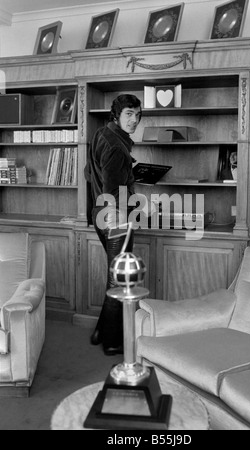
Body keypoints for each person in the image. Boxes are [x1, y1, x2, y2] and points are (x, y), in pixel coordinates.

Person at [84, 94, 142, 356]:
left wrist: (127, 174)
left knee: (113, 275)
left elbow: (90, 173)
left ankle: (99, 332)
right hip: (115, 217)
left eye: (137, 115)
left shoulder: (101, 135)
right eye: (129, 114)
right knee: (119, 280)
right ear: (116, 114)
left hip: (99, 213)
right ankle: (111, 341)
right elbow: (113, 193)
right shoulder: (118, 147)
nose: (134, 120)